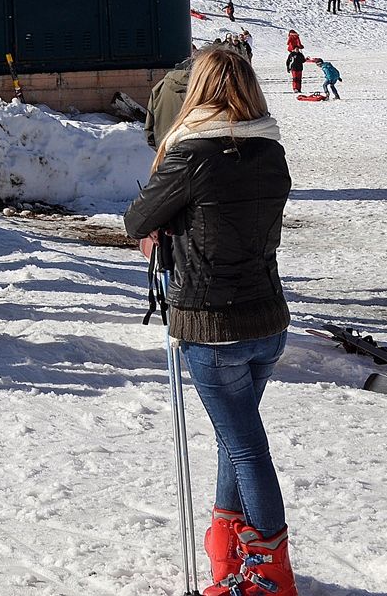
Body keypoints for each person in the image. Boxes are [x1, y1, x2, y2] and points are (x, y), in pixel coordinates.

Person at [125, 44, 294, 596]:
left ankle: (270, 569)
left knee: (244, 444)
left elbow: (137, 219)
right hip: (266, 317)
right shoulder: (271, 151)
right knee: (235, 437)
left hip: (211, 321)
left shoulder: (190, 154)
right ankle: (228, 548)